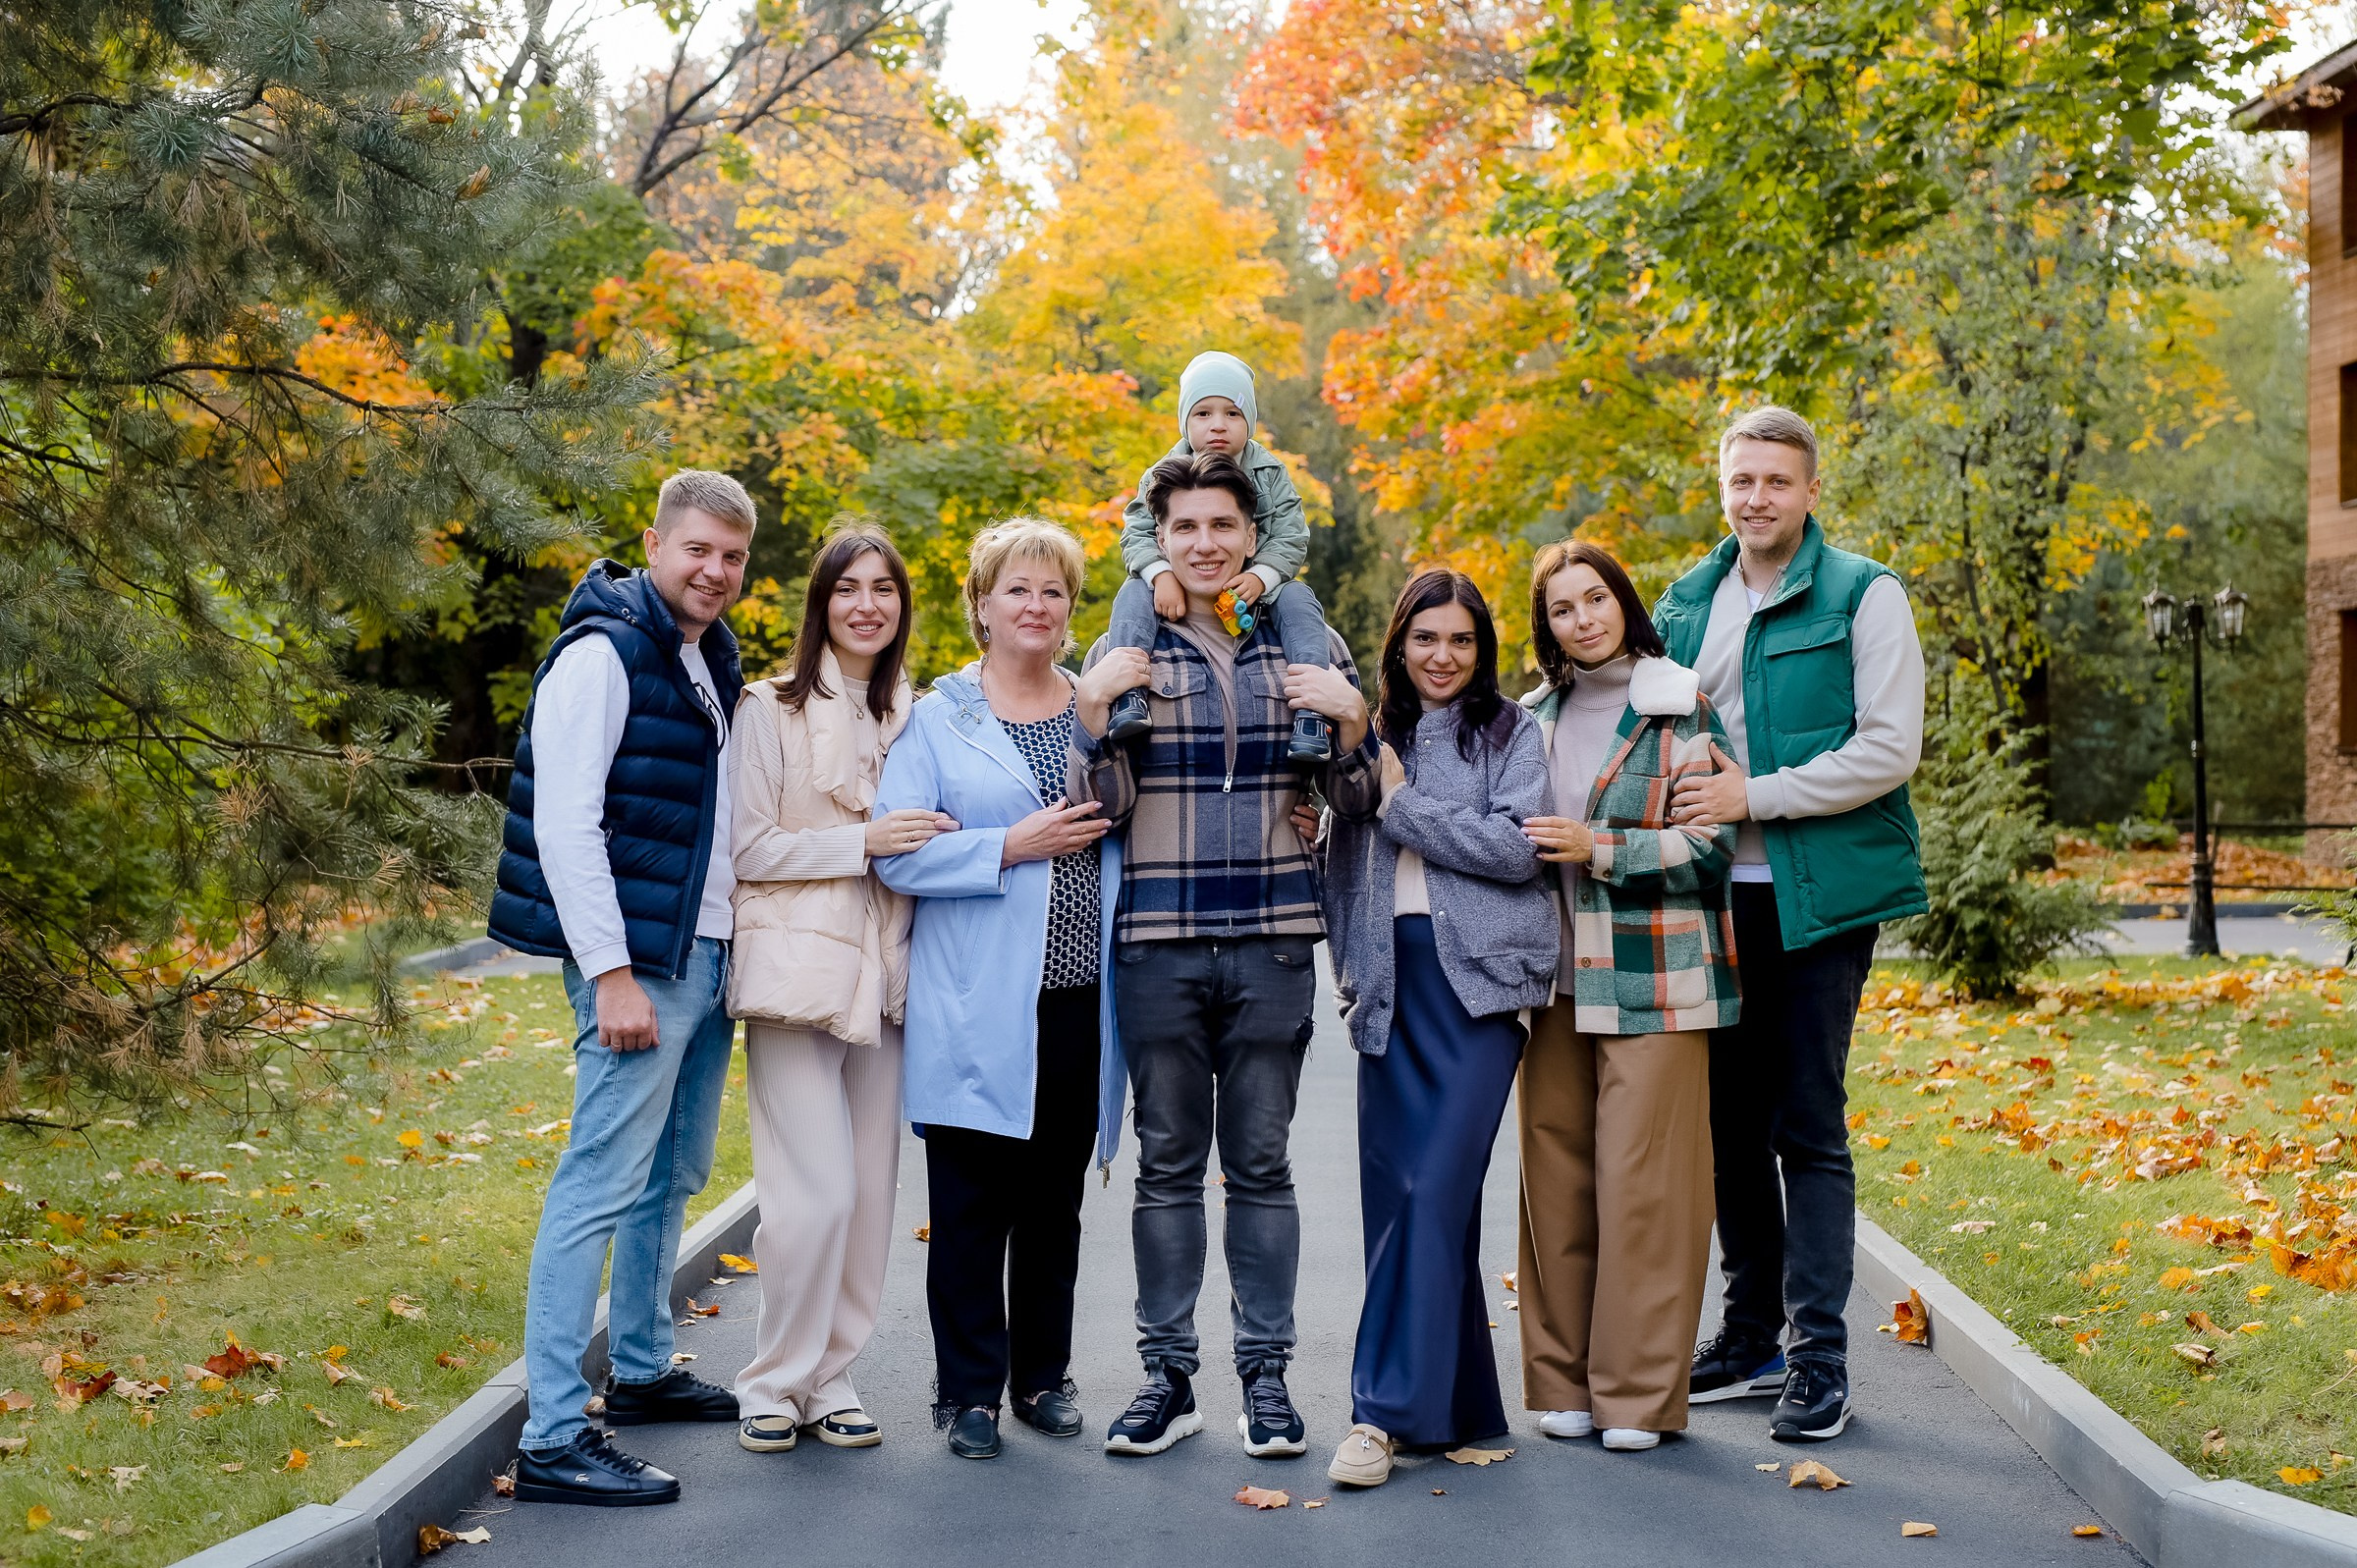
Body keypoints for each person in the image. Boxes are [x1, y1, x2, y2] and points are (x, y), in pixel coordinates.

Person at [1070, 449, 1380, 1462]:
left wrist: (1352, 725)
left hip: (1275, 941)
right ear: (1161, 541)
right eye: (1185, 529)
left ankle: (1267, 1376)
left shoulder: (1300, 638)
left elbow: (1359, 799)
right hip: (1156, 943)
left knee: (1258, 1164)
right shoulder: (1127, 644)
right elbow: (1096, 811)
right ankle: (1168, 1377)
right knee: (1167, 1166)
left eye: (1221, 527)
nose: (1204, 544)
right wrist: (1089, 720)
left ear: (1251, 538)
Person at [486, 469, 757, 1506]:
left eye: (731, 557)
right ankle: (555, 1436)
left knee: (669, 1175)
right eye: (697, 550)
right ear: (654, 543)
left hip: (700, 956)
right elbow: (566, 825)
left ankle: (638, 1371)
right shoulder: (604, 654)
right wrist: (609, 974)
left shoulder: (702, 656)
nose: (715, 571)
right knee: (598, 1181)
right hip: (637, 964)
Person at [1659, 406, 1927, 1442]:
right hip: (1711, 899)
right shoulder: (1688, 604)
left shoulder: (1865, 594)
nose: (1758, 497)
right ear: (1721, 485)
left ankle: (1819, 1355)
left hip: (1817, 899)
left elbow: (1888, 749)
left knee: (1806, 1123)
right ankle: (1751, 1333)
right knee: (1728, 1128)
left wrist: (1752, 796)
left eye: (1778, 480)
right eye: (1742, 480)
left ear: (1811, 490)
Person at [872, 518, 1125, 1462]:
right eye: (1016, 589)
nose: (1036, 605)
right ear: (981, 607)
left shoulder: (1094, 710)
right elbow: (899, 853)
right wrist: (1007, 847)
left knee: (1054, 1198)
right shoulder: (939, 717)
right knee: (973, 1200)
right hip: (978, 994)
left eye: (1053, 591)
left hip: (1076, 993)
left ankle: (1043, 1379)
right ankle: (969, 1390)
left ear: (1070, 609)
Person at [1316, 569, 1555, 1488]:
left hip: (1481, 992)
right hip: (1386, 986)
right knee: (1412, 1201)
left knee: (1431, 1186)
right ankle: (1457, 1400)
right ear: (1399, 644)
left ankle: (1379, 1413)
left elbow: (1517, 846)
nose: (1443, 656)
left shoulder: (1511, 732)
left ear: (1482, 648)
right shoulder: (1365, 735)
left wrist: (1401, 799)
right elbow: (1336, 849)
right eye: (1426, 639)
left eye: (1460, 640)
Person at [727, 522, 954, 1455]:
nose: (867, 603)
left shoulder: (920, 713)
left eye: (884, 589)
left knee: (866, 1196)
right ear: (820, 604)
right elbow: (746, 849)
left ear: (901, 607)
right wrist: (860, 840)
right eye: (847, 587)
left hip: (889, 976)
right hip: (791, 975)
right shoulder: (767, 708)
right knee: (810, 1194)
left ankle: (833, 1375)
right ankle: (772, 1379)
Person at [1513, 540, 1740, 1455]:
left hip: (1659, 982)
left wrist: (1598, 847)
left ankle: (1639, 1395)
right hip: (1553, 985)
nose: (1583, 618)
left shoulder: (1680, 705)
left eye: (1595, 598)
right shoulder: (1531, 718)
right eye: (1563, 608)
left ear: (1623, 602)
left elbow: (1711, 849)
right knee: (1556, 1187)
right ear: (1548, 627)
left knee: (1649, 1193)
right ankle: (1564, 1382)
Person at [1099, 351, 1340, 764]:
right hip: (1177, 583)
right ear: (1185, 423)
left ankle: (1312, 713)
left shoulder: (1269, 472)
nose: (1217, 426)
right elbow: (1136, 533)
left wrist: (1263, 576)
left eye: (1232, 414)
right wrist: (1160, 575)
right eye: (1203, 414)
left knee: (1300, 602)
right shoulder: (1163, 473)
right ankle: (1127, 695)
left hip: (1259, 580)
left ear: (1249, 422)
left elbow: (1290, 532)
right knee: (1133, 594)